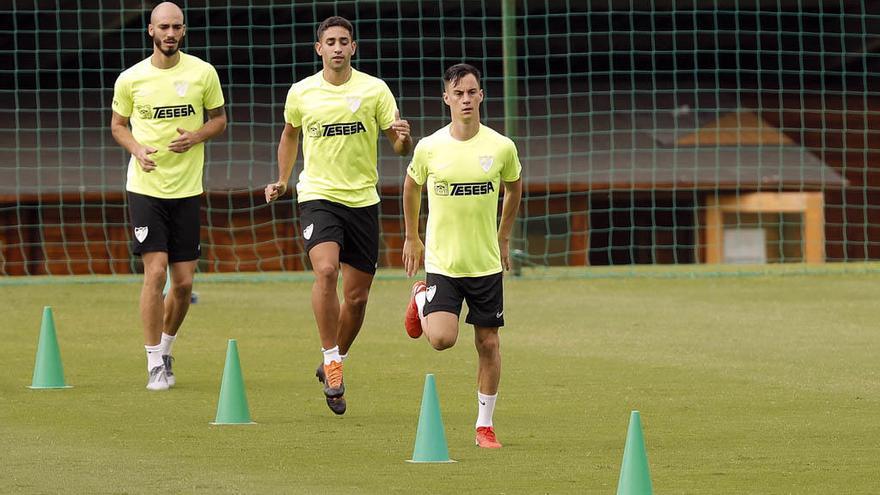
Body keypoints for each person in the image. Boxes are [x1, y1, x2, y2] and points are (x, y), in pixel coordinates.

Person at [264, 16, 412, 415]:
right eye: (330, 41)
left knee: (358, 298)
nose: (337, 48)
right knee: (326, 271)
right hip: (318, 196)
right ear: (319, 49)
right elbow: (289, 133)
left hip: (363, 200)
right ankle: (331, 358)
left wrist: (403, 139)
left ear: (353, 48)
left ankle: (335, 361)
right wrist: (281, 179)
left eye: (343, 41)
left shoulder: (374, 90)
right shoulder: (302, 92)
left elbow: (398, 147)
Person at [402, 63, 522, 448]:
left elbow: (515, 188)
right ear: (446, 99)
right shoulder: (430, 147)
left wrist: (503, 236)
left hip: (485, 264)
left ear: (481, 96)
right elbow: (411, 187)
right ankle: (422, 298)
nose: (466, 99)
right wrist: (412, 238)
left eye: (472, 92)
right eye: (458, 93)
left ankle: (484, 426)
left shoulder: (501, 147)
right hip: (443, 264)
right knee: (440, 340)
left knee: (489, 344)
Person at [110, 2, 227, 391]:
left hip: (187, 189)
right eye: (164, 26)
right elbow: (118, 126)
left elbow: (219, 119)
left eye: (176, 26)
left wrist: (195, 136)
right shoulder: (131, 79)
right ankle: (153, 363)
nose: (170, 33)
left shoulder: (203, 73)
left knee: (182, 285)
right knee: (156, 271)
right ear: (151, 31)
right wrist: (137, 149)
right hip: (146, 188)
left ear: (184, 30)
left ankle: (166, 346)